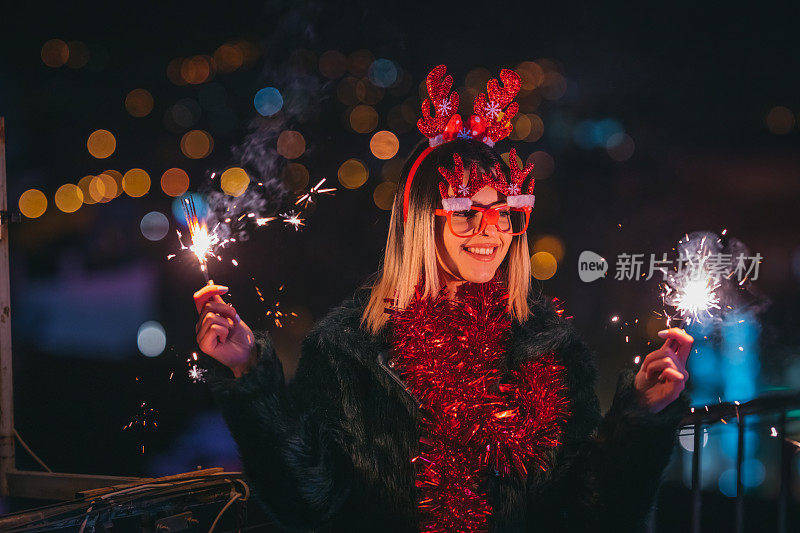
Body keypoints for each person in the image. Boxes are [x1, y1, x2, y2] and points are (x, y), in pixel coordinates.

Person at [193, 65, 693, 533]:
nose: (488, 232)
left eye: (503, 214)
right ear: (420, 219)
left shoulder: (551, 346)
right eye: (465, 213)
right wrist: (249, 376)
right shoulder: (350, 349)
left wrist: (640, 419)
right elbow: (310, 499)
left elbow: (593, 510)